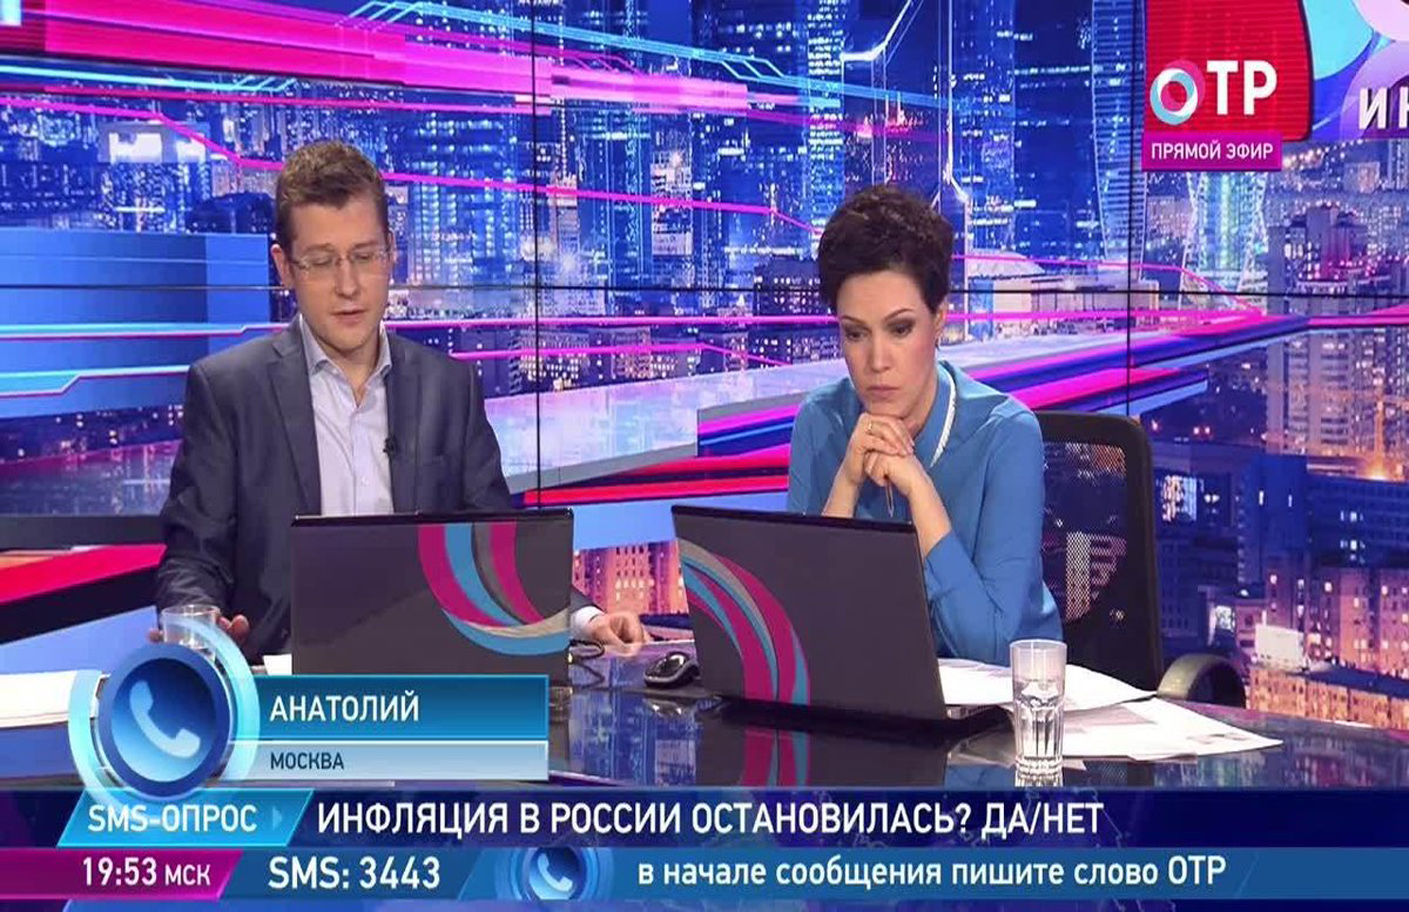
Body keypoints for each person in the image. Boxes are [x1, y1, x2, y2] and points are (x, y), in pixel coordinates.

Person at [156, 140, 646, 659]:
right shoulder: (229, 392)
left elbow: (500, 553)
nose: (348, 285)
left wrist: (587, 620)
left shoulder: (449, 390)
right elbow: (193, 560)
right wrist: (201, 625)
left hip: (426, 682)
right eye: (321, 262)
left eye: (364, 256)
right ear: (285, 267)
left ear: (391, 252)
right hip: (286, 690)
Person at [786, 184, 1061, 665]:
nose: (876, 361)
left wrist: (920, 491)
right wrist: (846, 483)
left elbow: (992, 651)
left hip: (1007, 706)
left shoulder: (1007, 434)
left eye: (900, 329)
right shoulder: (821, 421)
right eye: (855, 333)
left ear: (939, 319)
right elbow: (797, 636)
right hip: (871, 697)